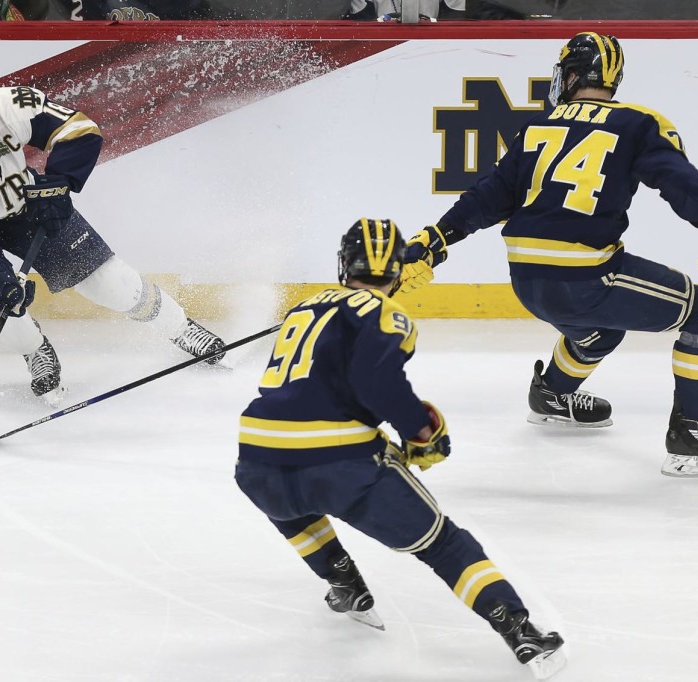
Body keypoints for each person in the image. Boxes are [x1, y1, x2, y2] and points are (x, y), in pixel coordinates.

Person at [399, 33, 698, 478]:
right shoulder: (639, 122)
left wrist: (435, 239)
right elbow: (676, 181)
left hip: (527, 279)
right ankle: (690, 435)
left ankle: (551, 394)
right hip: (586, 280)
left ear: (571, 74)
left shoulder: (538, 126)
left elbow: (489, 197)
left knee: (601, 333)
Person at [234, 218, 566, 680]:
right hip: (340, 461)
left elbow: (306, 390)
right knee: (443, 543)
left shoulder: (303, 307)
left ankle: (343, 582)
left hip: (255, 456)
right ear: (397, 270)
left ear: (342, 264)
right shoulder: (390, 314)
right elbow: (377, 382)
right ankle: (520, 629)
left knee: (291, 497)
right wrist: (421, 431)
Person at [0, 53, 225, 406]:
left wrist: (57, 185)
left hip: (18, 203)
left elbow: (79, 130)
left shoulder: (12, 104)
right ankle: (34, 350)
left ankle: (180, 328)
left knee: (111, 284)